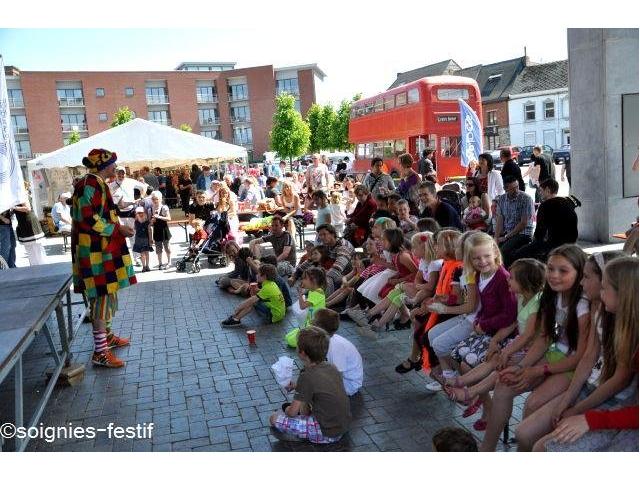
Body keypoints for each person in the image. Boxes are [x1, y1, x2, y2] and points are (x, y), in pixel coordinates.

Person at [479, 244, 590, 451]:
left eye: (563, 271)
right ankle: (486, 449)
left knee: (533, 403)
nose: (554, 275)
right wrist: (522, 367)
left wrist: (537, 370)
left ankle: (525, 450)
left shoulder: (583, 306)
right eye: (550, 269)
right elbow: (544, 339)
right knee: (505, 384)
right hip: (554, 355)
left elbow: (580, 357)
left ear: (580, 273)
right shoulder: (552, 295)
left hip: (571, 366)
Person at [522, 255, 637, 451]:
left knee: (542, 447)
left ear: (623, 294)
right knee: (526, 434)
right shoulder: (602, 310)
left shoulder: (630, 332)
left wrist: (582, 413)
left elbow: (621, 383)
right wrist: (568, 402)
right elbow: (588, 357)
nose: (582, 284)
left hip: (615, 404)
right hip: (593, 391)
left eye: (604, 287)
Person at [72, 149, 136, 368]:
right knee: (100, 298)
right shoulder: (88, 185)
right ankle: (100, 352)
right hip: (94, 253)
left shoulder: (95, 183)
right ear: (104, 166)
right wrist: (117, 229)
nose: (115, 168)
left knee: (107, 295)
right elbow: (88, 220)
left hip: (101, 251)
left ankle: (107, 338)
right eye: (113, 164)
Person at [270, 326, 351, 444]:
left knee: (274, 418)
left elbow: (292, 413)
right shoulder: (331, 367)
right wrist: (297, 386)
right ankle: (304, 424)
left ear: (302, 353)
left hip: (327, 433)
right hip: (343, 425)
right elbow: (320, 385)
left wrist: (287, 410)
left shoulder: (307, 376)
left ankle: (300, 435)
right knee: (303, 405)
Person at [511, 178, 579, 263]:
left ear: (547, 190)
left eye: (540, 191)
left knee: (516, 255)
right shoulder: (568, 202)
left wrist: (533, 243)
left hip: (554, 246)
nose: (539, 194)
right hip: (572, 244)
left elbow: (539, 235)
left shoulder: (545, 206)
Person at [291, 224, 354, 294]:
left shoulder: (343, 247)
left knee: (327, 277)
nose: (322, 237)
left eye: (324, 234)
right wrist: (295, 275)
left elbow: (337, 269)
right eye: (320, 235)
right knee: (312, 271)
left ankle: (323, 300)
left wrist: (319, 279)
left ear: (332, 234)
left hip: (345, 275)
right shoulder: (327, 245)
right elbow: (310, 260)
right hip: (333, 272)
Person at [313, 308, 363, 396]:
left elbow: (338, 374)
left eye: (314, 321)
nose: (311, 322)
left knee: (312, 385)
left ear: (319, 326)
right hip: (342, 378)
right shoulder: (329, 339)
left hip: (349, 384)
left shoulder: (335, 346)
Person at [221, 263, 285, 327]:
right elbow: (267, 295)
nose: (257, 275)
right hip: (279, 314)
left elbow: (251, 300)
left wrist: (238, 308)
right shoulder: (272, 284)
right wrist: (257, 290)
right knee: (253, 300)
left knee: (252, 302)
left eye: (259, 273)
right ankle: (235, 318)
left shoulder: (267, 287)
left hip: (274, 316)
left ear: (264, 276)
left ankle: (235, 319)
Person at [494, 175, 535, 267]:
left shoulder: (526, 199)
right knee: (493, 249)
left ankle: (509, 274)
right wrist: (496, 238)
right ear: (505, 189)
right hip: (508, 233)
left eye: (517, 187)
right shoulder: (502, 199)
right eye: (512, 188)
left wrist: (506, 236)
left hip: (523, 233)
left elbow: (523, 223)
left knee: (503, 251)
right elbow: (500, 220)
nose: (516, 190)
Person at [286, 267, 327, 348]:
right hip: (309, 322)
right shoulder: (314, 291)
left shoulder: (317, 293)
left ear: (313, 281)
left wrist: (300, 294)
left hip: (315, 326)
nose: (302, 280)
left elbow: (302, 306)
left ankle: (314, 341)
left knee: (290, 341)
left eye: (305, 278)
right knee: (288, 336)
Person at [149, 191, 172, 270]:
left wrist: (159, 217)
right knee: (158, 248)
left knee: (167, 247)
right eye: (153, 199)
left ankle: (169, 262)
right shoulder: (150, 209)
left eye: (157, 199)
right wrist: (152, 221)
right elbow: (150, 222)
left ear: (160, 199)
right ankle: (160, 263)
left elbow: (169, 218)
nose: (155, 201)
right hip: (156, 230)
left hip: (164, 230)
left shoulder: (164, 207)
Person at [132, 206, 153, 272]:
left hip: (146, 238)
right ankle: (144, 266)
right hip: (139, 238)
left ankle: (147, 266)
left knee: (146, 253)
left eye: (141, 212)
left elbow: (150, 231)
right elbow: (134, 229)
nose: (140, 214)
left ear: (144, 213)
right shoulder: (136, 222)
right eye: (138, 213)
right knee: (142, 253)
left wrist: (151, 239)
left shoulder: (147, 222)